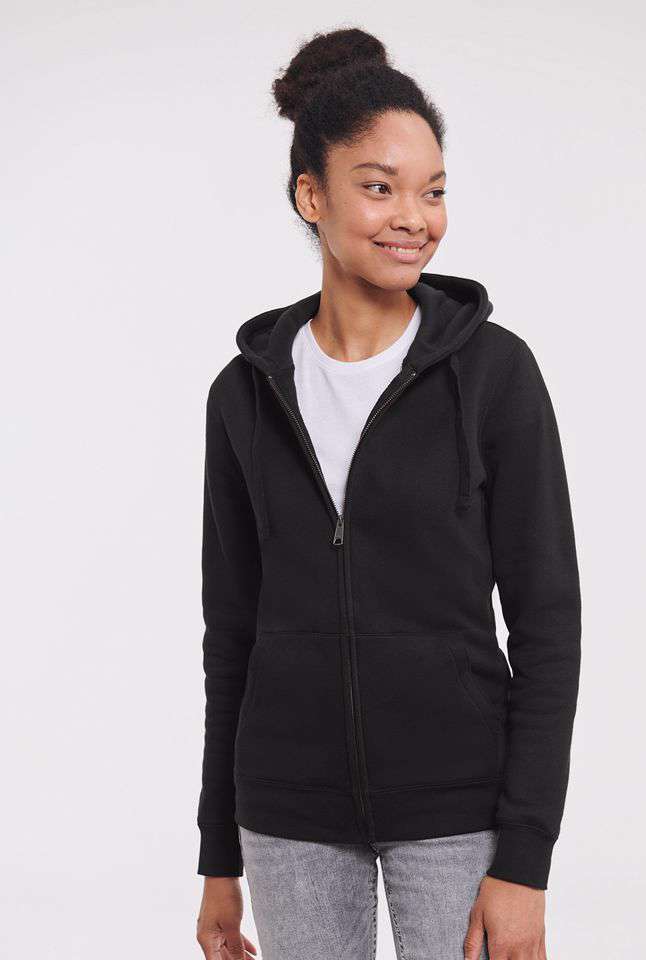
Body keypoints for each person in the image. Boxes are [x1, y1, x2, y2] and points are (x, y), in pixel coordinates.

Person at [195, 27, 582, 960]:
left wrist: (525, 861)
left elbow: (547, 626)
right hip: (287, 814)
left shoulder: (494, 375)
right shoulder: (244, 393)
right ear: (311, 196)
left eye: (433, 190)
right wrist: (218, 858)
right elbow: (231, 634)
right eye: (380, 187)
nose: (415, 217)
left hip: (459, 809)